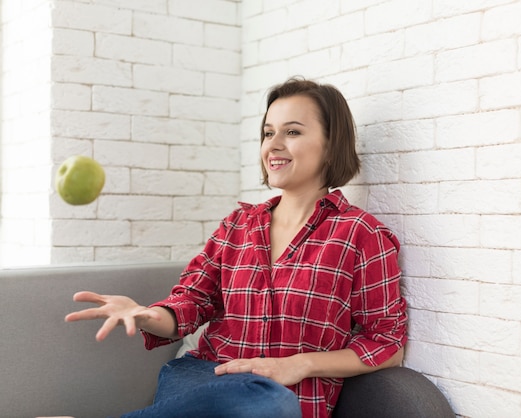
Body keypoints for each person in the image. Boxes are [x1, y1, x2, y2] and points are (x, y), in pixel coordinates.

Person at [65, 77, 408, 418]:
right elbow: (191, 302)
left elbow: (388, 344)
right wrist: (146, 315)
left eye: (292, 132)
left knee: (271, 403)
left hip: (283, 401)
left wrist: (299, 365)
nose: (273, 144)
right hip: (207, 379)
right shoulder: (238, 226)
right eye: (267, 132)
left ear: (332, 145)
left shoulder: (361, 235)